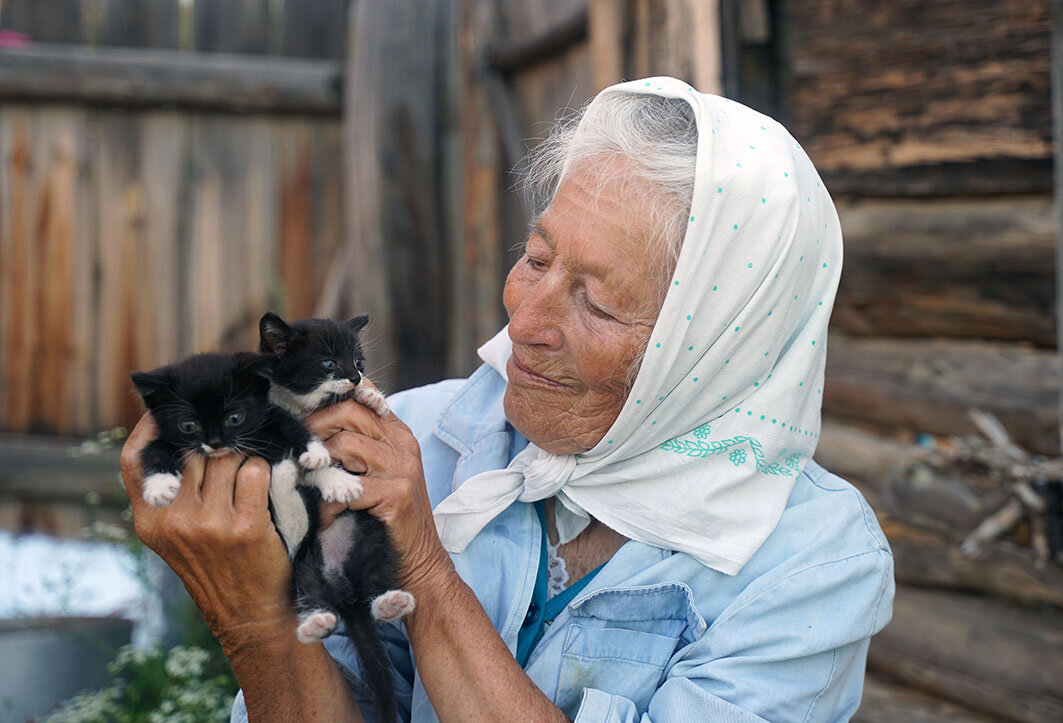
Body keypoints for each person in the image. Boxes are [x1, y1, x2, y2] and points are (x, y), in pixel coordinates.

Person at [119, 76, 894, 722]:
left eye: (592, 302)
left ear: (711, 351)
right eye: (536, 256)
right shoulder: (415, 439)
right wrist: (255, 615)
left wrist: (423, 564)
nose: (522, 322)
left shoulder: (810, 565)